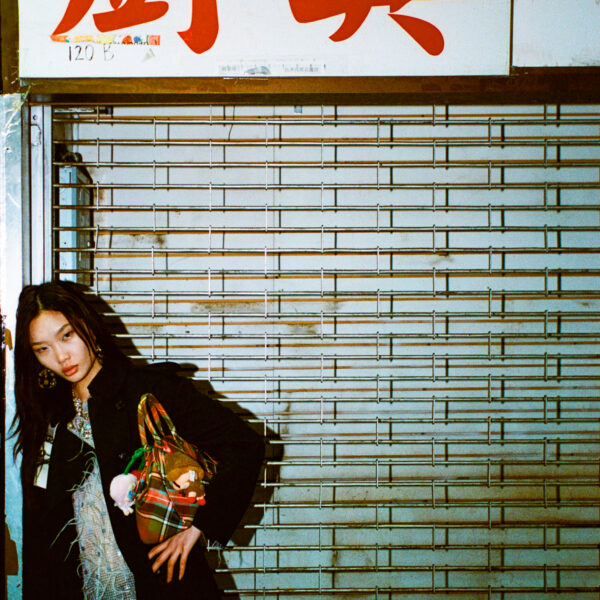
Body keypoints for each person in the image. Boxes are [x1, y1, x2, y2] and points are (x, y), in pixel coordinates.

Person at [12, 280, 265, 599]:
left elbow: (244, 446)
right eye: (43, 349)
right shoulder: (50, 420)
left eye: (67, 335)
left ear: (87, 326)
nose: (61, 356)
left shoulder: (148, 392)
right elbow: (41, 533)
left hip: (160, 584)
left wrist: (201, 526)